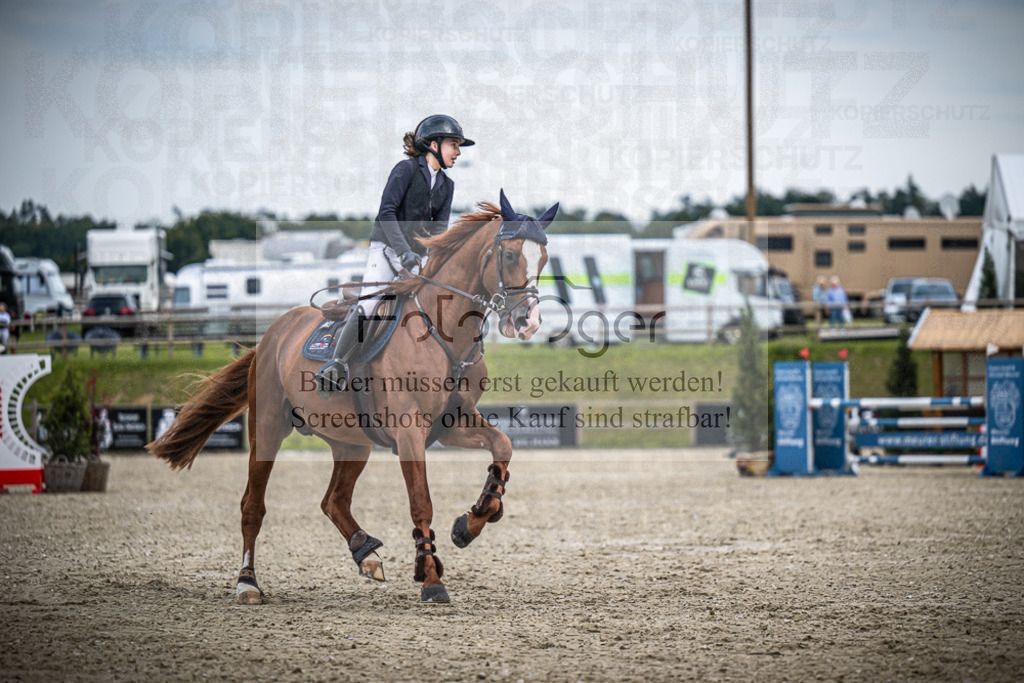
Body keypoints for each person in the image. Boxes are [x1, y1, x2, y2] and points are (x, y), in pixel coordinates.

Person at [315, 114, 474, 394]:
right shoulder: (406, 170)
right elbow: (387, 213)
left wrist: (432, 259)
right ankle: (336, 365)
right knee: (371, 303)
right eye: (453, 144)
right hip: (386, 248)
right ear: (433, 144)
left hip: (417, 256)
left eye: (458, 146)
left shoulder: (447, 186)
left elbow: (439, 230)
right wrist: (404, 252)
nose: (458, 152)